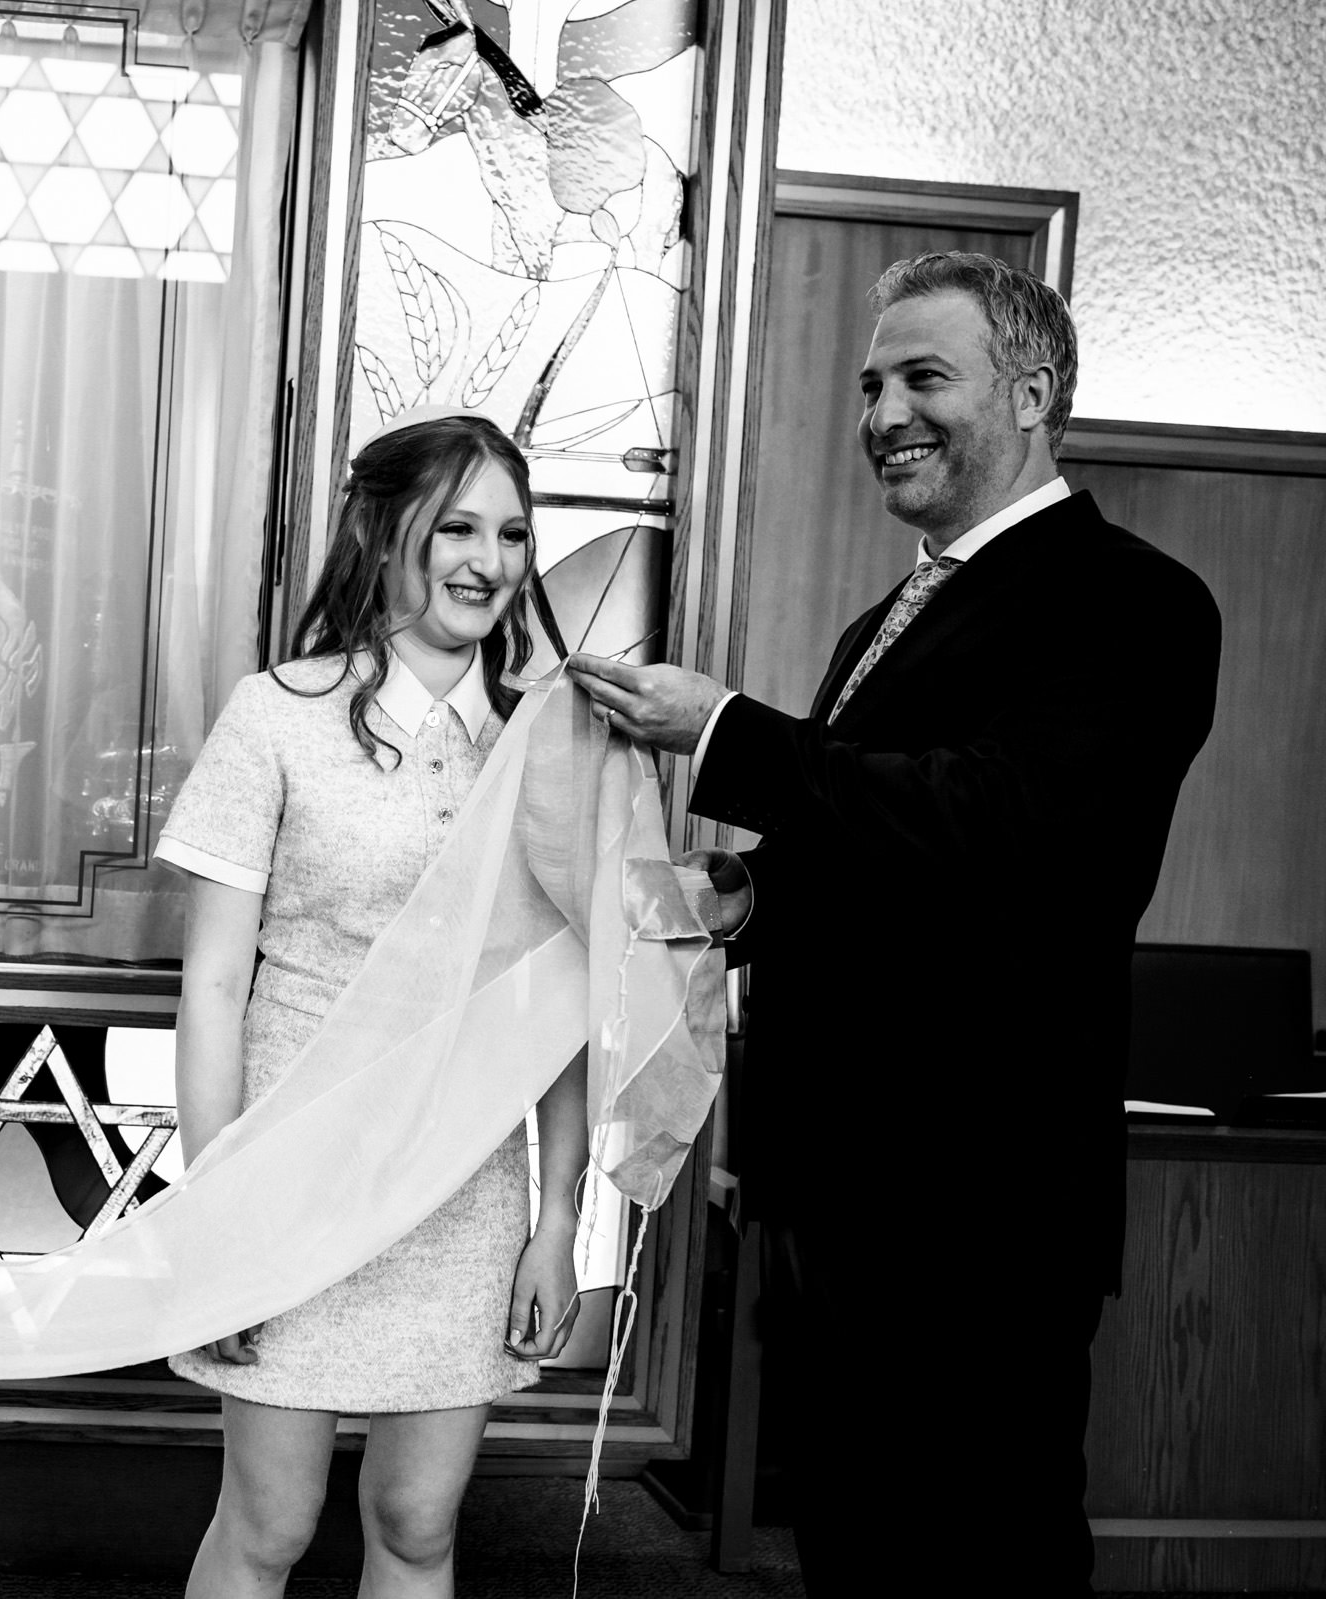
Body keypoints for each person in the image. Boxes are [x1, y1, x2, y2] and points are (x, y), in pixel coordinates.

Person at [566, 253, 1220, 1596]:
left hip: (977, 1195)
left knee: (981, 1549)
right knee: (859, 1545)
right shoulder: (886, 616)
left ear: (1034, 393)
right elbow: (882, 841)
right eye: (871, 384)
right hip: (833, 1182)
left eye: (925, 377)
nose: (883, 413)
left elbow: (1009, 826)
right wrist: (758, 895)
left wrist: (730, 733)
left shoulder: (1132, 602)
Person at [155, 410, 589, 1599]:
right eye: (456, 526)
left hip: (464, 1196)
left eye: (511, 533)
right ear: (381, 530)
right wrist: (220, 1212)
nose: (488, 561)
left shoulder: (544, 745)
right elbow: (213, 986)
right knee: (271, 1523)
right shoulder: (275, 717)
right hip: (290, 1185)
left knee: (416, 1521)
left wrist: (558, 1219)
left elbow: (554, 1004)